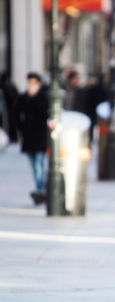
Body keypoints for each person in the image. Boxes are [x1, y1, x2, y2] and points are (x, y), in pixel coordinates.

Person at [16, 73, 49, 205]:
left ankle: (40, 189)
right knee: (34, 165)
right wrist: (20, 128)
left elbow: (45, 113)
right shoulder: (23, 98)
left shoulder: (42, 97)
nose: (30, 86)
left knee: (39, 164)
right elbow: (16, 113)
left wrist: (34, 98)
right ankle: (40, 187)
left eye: (33, 83)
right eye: (29, 83)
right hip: (28, 137)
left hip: (40, 136)